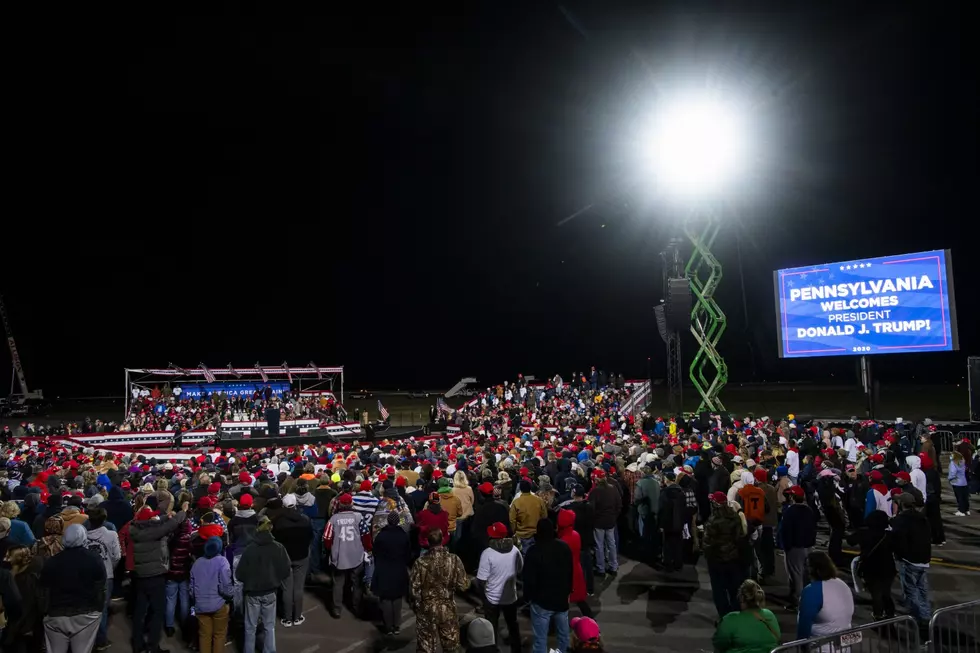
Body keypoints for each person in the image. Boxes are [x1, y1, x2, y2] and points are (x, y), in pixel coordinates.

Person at [130, 494, 189, 653]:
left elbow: (157, 521)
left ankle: (137, 644)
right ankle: (153, 646)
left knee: (140, 611)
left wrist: (165, 516)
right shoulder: (152, 532)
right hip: (155, 576)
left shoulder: (135, 528)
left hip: (140, 575)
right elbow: (172, 525)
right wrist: (183, 511)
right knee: (157, 611)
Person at [39, 524, 106, 653]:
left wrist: (45, 611)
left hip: (56, 614)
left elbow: (43, 591)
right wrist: (98, 609)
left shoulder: (51, 562)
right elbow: (100, 588)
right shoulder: (94, 559)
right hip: (86, 614)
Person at [409, 527, 470, 653]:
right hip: (447, 608)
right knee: (451, 647)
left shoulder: (420, 562)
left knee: (425, 648)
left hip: (426, 609)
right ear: (442, 540)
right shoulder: (454, 559)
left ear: (428, 542)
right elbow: (463, 585)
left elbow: (414, 590)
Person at [236, 516, 291, 653]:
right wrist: (276, 580)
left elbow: (239, 574)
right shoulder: (278, 547)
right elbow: (286, 569)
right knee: (269, 626)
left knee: (250, 627)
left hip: (252, 593)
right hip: (270, 592)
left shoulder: (249, 549)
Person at [523, 519, 573, 653]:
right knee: (564, 637)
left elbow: (529, 579)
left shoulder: (534, 551)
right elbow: (570, 572)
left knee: (540, 639)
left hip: (541, 603)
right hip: (561, 600)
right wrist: (568, 591)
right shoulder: (564, 547)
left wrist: (528, 598)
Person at [477, 522, 523, 653]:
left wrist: (484, 598)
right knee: (513, 625)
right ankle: (516, 649)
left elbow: (481, 580)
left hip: (492, 599)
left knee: (491, 629)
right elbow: (520, 569)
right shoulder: (515, 550)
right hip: (510, 597)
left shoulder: (487, 553)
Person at [324, 493, 372, 619]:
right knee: (357, 583)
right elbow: (365, 535)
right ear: (351, 503)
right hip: (356, 555)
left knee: (338, 583)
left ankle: (337, 609)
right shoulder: (358, 517)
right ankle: (357, 608)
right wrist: (368, 549)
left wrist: (332, 550)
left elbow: (327, 538)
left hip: (339, 556)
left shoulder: (333, 519)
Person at [889, 492, 932, 625]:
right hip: (924, 560)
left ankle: (918, 620)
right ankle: (926, 615)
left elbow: (897, 540)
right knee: (922, 590)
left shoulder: (901, 520)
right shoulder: (922, 518)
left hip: (909, 560)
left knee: (911, 591)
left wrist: (899, 555)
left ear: (901, 504)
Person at [704, 492, 748, 618]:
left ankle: (724, 617)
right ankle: (736, 614)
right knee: (734, 589)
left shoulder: (713, 521)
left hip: (717, 561)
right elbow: (740, 537)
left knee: (719, 591)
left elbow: (708, 544)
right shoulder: (734, 517)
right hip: (734, 559)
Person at [845, 511, 895, 620]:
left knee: (876, 592)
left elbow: (850, 541)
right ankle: (890, 612)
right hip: (888, 566)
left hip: (871, 567)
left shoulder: (863, 533)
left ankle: (878, 615)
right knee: (886, 591)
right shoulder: (889, 535)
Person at [274, 493, 313, 627]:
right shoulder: (305, 520)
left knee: (286, 588)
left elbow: (275, 542)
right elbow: (310, 537)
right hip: (301, 557)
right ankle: (297, 617)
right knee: (298, 588)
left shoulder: (278, 522)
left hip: (285, 558)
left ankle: (287, 617)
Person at [85, 506, 121, 651]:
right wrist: (109, 566)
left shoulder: (83, 535)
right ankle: (100, 639)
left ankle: (88, 639)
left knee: (88, 607)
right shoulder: (111, 534)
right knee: (102, 608)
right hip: (106, 574)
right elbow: (117, 556)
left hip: (87, 575)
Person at [190, 536, 234, 653]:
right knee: (219, 635)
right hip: (219, 605)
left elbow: (192, 588)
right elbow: (226, 584)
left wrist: (196, 601)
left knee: (204, 636)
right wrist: (230, 596)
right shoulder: (222, 561)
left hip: (201, 606)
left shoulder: (197, 563)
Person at [712, 580, 781, 653]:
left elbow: (719, 643)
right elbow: (777, 638)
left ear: (741, 598)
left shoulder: (731, 619)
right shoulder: (769, 615)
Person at [372, 511, 412, 636]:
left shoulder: (381, 536)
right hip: (399, 569)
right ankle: (397, 625)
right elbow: (408, 554)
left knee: (385, 599)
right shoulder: (403, 535)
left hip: (383, 569)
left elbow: (375, 552)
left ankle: (388, 626)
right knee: (397, 599)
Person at [797, 551, 853, 639]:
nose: (805, 570)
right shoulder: (842, 584)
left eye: (807, 566)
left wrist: (801, 645)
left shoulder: (812, 590)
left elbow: (804, 623)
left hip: (820, 646)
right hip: (844, 645)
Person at [778, 485, 816, 611]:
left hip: (795, 548)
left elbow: (786, 531)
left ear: (793, 497)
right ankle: (808, 600)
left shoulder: (790, 511)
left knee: (796, 576)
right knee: (806, 576)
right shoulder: (808, 510)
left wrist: (786, 546)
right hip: (808, 547)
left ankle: (799, 604)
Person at [557, 508, 591, 618]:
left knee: (562, 603)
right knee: (580, 600)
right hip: (577, 570)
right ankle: (591, 622)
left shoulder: (562, 541)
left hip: (566, 574)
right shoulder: (576, 535)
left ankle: (558, 627)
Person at [588, 470, 621, 576]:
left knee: (599, 545)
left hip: (599, 523)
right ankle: (613, 567)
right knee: (612, 544)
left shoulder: (595, 492)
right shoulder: (613, 489)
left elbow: (591, 509)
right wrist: (614, 516)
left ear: (597, 479)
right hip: (611, 521)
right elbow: (619, 505)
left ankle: (601, 569)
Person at [510, 479, 547, 555]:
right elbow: (544, 516)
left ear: (520, 489)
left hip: (522, 535)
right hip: (537, 534)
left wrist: (514, 531)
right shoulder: (539, 500)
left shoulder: (516, 502)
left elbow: (512, 520)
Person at [949, 452, 971, 516]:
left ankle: (961, 510)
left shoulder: (953, 463)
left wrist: (950, 478)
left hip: (956, 482)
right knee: (965, 497)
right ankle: (966, 510)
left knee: (959, 497)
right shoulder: (962, 462)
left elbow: (952, 472)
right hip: (964, 482)